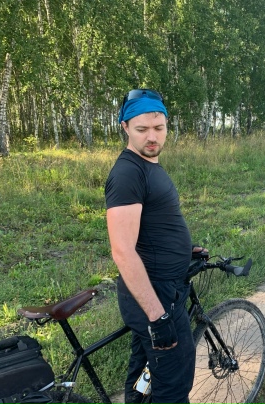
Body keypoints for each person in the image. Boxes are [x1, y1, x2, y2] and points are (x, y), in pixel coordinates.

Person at [105, 89, 204, 404]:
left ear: (167, 125)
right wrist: (157, 317)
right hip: (155, 297)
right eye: (142, 129)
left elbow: (151, 226)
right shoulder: (128, 173)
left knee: (144, 380)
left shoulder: (147, 165)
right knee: (172, 389)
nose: (152, 137)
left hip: (163, 288)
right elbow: (122, 251)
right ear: (125, 127)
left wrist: (183, 250)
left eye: (158, 128)